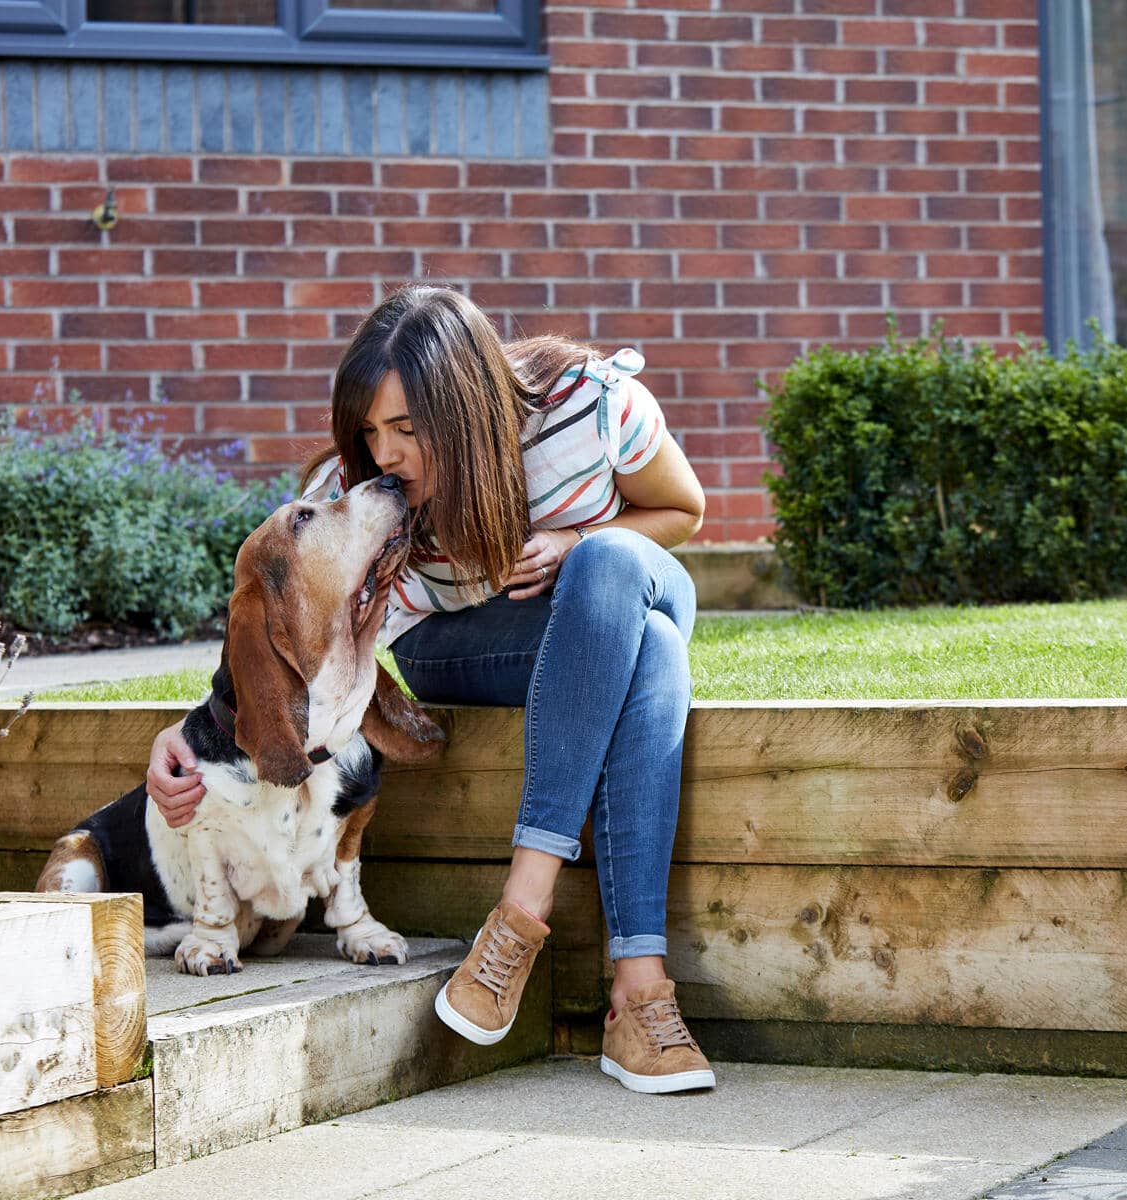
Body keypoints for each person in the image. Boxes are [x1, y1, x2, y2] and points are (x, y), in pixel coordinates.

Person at [143, 285, 716, 1094]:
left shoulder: (591, 405)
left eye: (408, 430)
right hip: (470, 645)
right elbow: (274, 620)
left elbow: (683, 509)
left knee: (618, 585)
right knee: (650, 657)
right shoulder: (365, 498)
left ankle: (520, 919)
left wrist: (573, 540)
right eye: (372, 432)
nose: (385, 456)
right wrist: (188, 733)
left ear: (467, 403)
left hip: (629, 587)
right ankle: (638, 996)